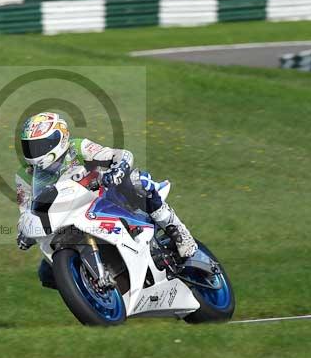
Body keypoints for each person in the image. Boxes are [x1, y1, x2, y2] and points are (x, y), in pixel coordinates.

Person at [14, 112, 198, 265]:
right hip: (66, 218)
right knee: (46, 273)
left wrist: (117, 170)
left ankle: (178, 231)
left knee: (137, 181)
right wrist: (24, 232)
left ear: (59, 139)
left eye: (39, 146)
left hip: (103, 198)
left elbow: (120, 155)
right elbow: (26, 212)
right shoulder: (24, 175)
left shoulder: (77, 147)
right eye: (29, 146)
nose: (34, 152)